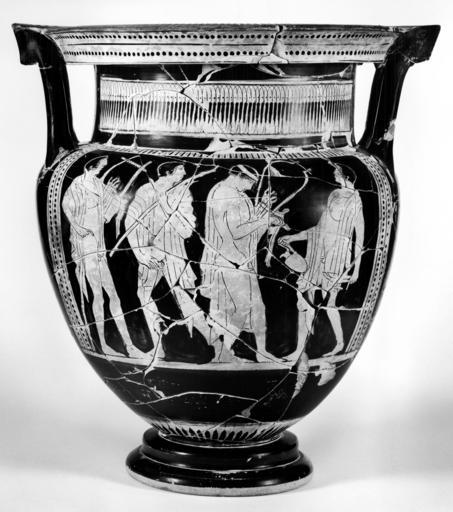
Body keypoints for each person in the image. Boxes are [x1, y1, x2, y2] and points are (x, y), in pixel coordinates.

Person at [62, 155, 145, 358]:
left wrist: (111, 193)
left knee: (113, 296)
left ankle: (129, 345)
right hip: (85, 246)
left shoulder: (98, 184)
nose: (103, 167)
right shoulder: (77, 184)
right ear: (93, 165)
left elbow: (107, 214)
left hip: (99, 245)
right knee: (97, 296)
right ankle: (103, 344)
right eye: (102, 165)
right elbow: (66, 206)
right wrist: (77, 227)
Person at [125, 161, 211, 356]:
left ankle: (193, 344)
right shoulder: (147, 190)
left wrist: (170, 209)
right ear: (167, 171)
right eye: (180, 169)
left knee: (182, 296)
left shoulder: (182, 193)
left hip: (174, 254)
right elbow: (131, 220)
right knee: (146, 295)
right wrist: (141, 253)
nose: (184, 172)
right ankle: (164, 344)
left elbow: (187, 230)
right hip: (151, 253)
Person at [200, 164, 285, 363]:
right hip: (229, 261)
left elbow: (249, 226)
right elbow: (236, 231)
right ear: (238, 175)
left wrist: (263, 207)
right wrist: (265, 220)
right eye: (250, 182)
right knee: (235, 309)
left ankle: (261, 352)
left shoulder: (239, 195)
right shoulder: (223, 194)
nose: (251, 187)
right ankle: (222, 352)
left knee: (256, 308)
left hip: (243, 260)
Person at [279, 163, 364, 356]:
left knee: (329, 303)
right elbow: (319, 229)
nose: (334, 173)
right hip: (317, 254)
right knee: (303, 299)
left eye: (336, 170)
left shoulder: (356, 201)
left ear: (344, 175)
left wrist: (356, 268)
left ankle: (340, 343)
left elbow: (360, 237)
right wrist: (293, 237)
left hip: (336, 257)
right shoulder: (334, 194)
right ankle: (300, 350)